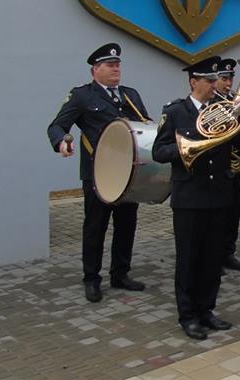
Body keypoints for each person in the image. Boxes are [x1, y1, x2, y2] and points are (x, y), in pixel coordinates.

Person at [152, 56, 240, 340]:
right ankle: (188, 315)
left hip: (220, 194)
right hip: (189, 196)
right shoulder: (175, 112)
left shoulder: (223, 109)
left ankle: (207, 310)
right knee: (189, 259)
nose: (214, 85)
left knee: (212, 258)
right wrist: (189, 147)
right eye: (209, 81)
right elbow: (159, 151)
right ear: (194, 81)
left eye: (215, 80)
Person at [47, 43, 150, 303]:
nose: (116, 68)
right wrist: (63, 141)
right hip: (98, 174)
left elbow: (144, 125)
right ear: (96, 70)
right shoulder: (83, 95)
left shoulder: (130, 95)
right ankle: (91, 279)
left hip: (129, 173)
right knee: (95, 227)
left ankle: (120, 273)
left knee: (126, 225)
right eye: (110, 65)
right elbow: (57, 125)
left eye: (118, 64)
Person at [214, 59, 240, 272]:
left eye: (230, 78)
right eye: (224, 78)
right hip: (215, 168)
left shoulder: (235, 102)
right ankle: (213, 255)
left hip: (234, 168)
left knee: (233, 212)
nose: (228, 83)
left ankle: (228, 251)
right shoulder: (209, 105)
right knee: (216, 215)